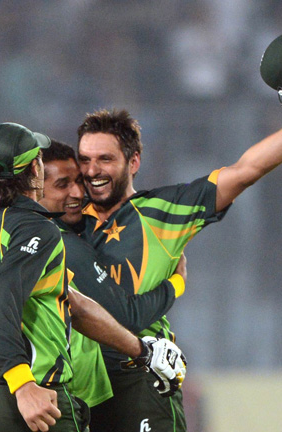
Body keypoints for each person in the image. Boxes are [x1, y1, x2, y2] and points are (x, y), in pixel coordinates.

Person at [76, 30, 282, 431]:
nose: (92, 170)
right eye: (85, 159)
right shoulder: (67, 211)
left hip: (140, 372)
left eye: (105, 159)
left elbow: (244, 172)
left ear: (134, 161)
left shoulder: (163, 211)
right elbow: (6, 173)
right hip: (79, 380)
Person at [0, 123, 185, 432]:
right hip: (34, 398)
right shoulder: (37, 228)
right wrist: (22, 384)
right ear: (34, 167)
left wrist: (142, 351)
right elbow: (1, 301)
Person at [38, 139, 187, 409]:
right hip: (62, 395)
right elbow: (126, 317)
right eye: (62, 185)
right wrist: (176, 284)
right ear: (35, 188)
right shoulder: (63, 246)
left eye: (78, 181)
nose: (76, 193)